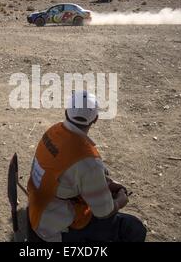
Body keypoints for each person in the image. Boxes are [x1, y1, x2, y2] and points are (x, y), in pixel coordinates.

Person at [27, 90, 147, 242]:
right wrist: (119, 202)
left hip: (38, 207)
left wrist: (105, 183)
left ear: (66, 112)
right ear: (95, 119)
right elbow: (103, 212)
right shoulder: (88, 161)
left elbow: (66, 173)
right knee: (134, 228)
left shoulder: (53, 131)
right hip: (54, 227)